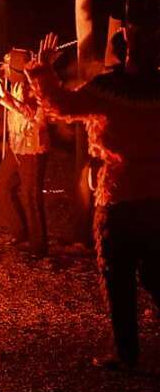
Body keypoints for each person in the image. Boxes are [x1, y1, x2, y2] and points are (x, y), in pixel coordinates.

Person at [27, 27, 160, 371]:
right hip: (155, 197)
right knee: (157, 273)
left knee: (118, 275)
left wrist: (42, 70)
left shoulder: (108, 88)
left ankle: (126, 353)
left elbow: (61, 106)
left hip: (119, 197)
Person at [0, 51, 50, 256]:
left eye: (7, 66)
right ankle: (20, 233)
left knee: (31, 196)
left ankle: (39, 246)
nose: (3, 70)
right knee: (2, 188)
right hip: (16, 147)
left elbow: (36, 119)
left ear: (16, 69)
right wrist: (6, 96)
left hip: (32, 150)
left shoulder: (36, 87)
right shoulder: (17, 86)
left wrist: (8, 100)